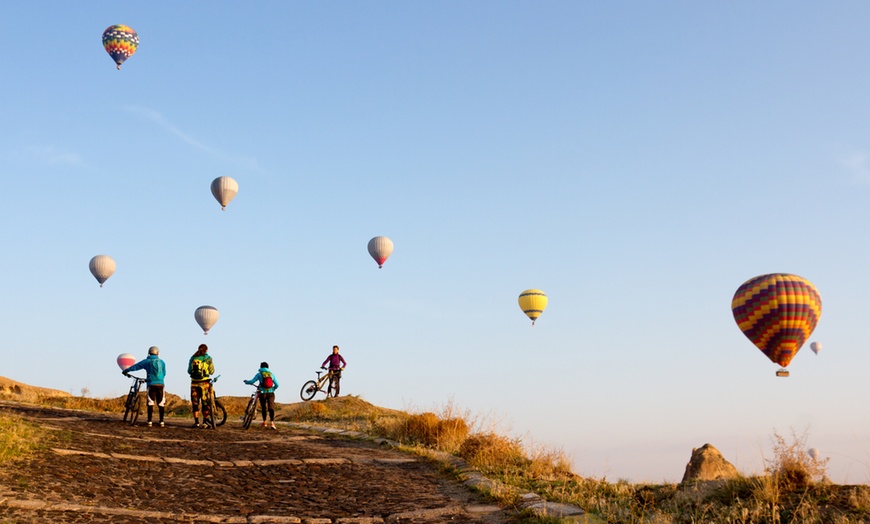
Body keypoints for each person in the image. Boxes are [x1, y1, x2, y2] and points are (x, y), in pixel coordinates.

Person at [123, 346, 166, 427]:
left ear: (149, 353)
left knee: (150, 402)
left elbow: (136, 366)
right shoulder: (162, 362)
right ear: (157, 353)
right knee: (161, 403)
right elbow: (164, 373)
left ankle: (149, 421)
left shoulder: (147, 361)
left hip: (151, 384)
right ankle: (161, 421)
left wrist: (126, 370)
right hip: (160, 384)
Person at [244, 362, 280, 429]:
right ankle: (272, 423)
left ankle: (264, 422)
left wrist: (246, 382)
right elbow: (277, 384)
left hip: (262, 393)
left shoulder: (259, 374)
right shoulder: (271, 374)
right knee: (271, 408)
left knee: (264, 408)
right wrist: (273, 389)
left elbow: (252, 381)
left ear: (260, 367)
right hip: (271, 393)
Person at [187, 343, 215, 428]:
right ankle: (205, 422)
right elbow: (211, 371)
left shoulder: (193, 358)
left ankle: (196, 422)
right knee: (205, 403)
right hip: (204, 383)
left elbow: (189, 371)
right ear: (206, 350)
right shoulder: (208, 358)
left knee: (195, 403)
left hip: (194, 383)